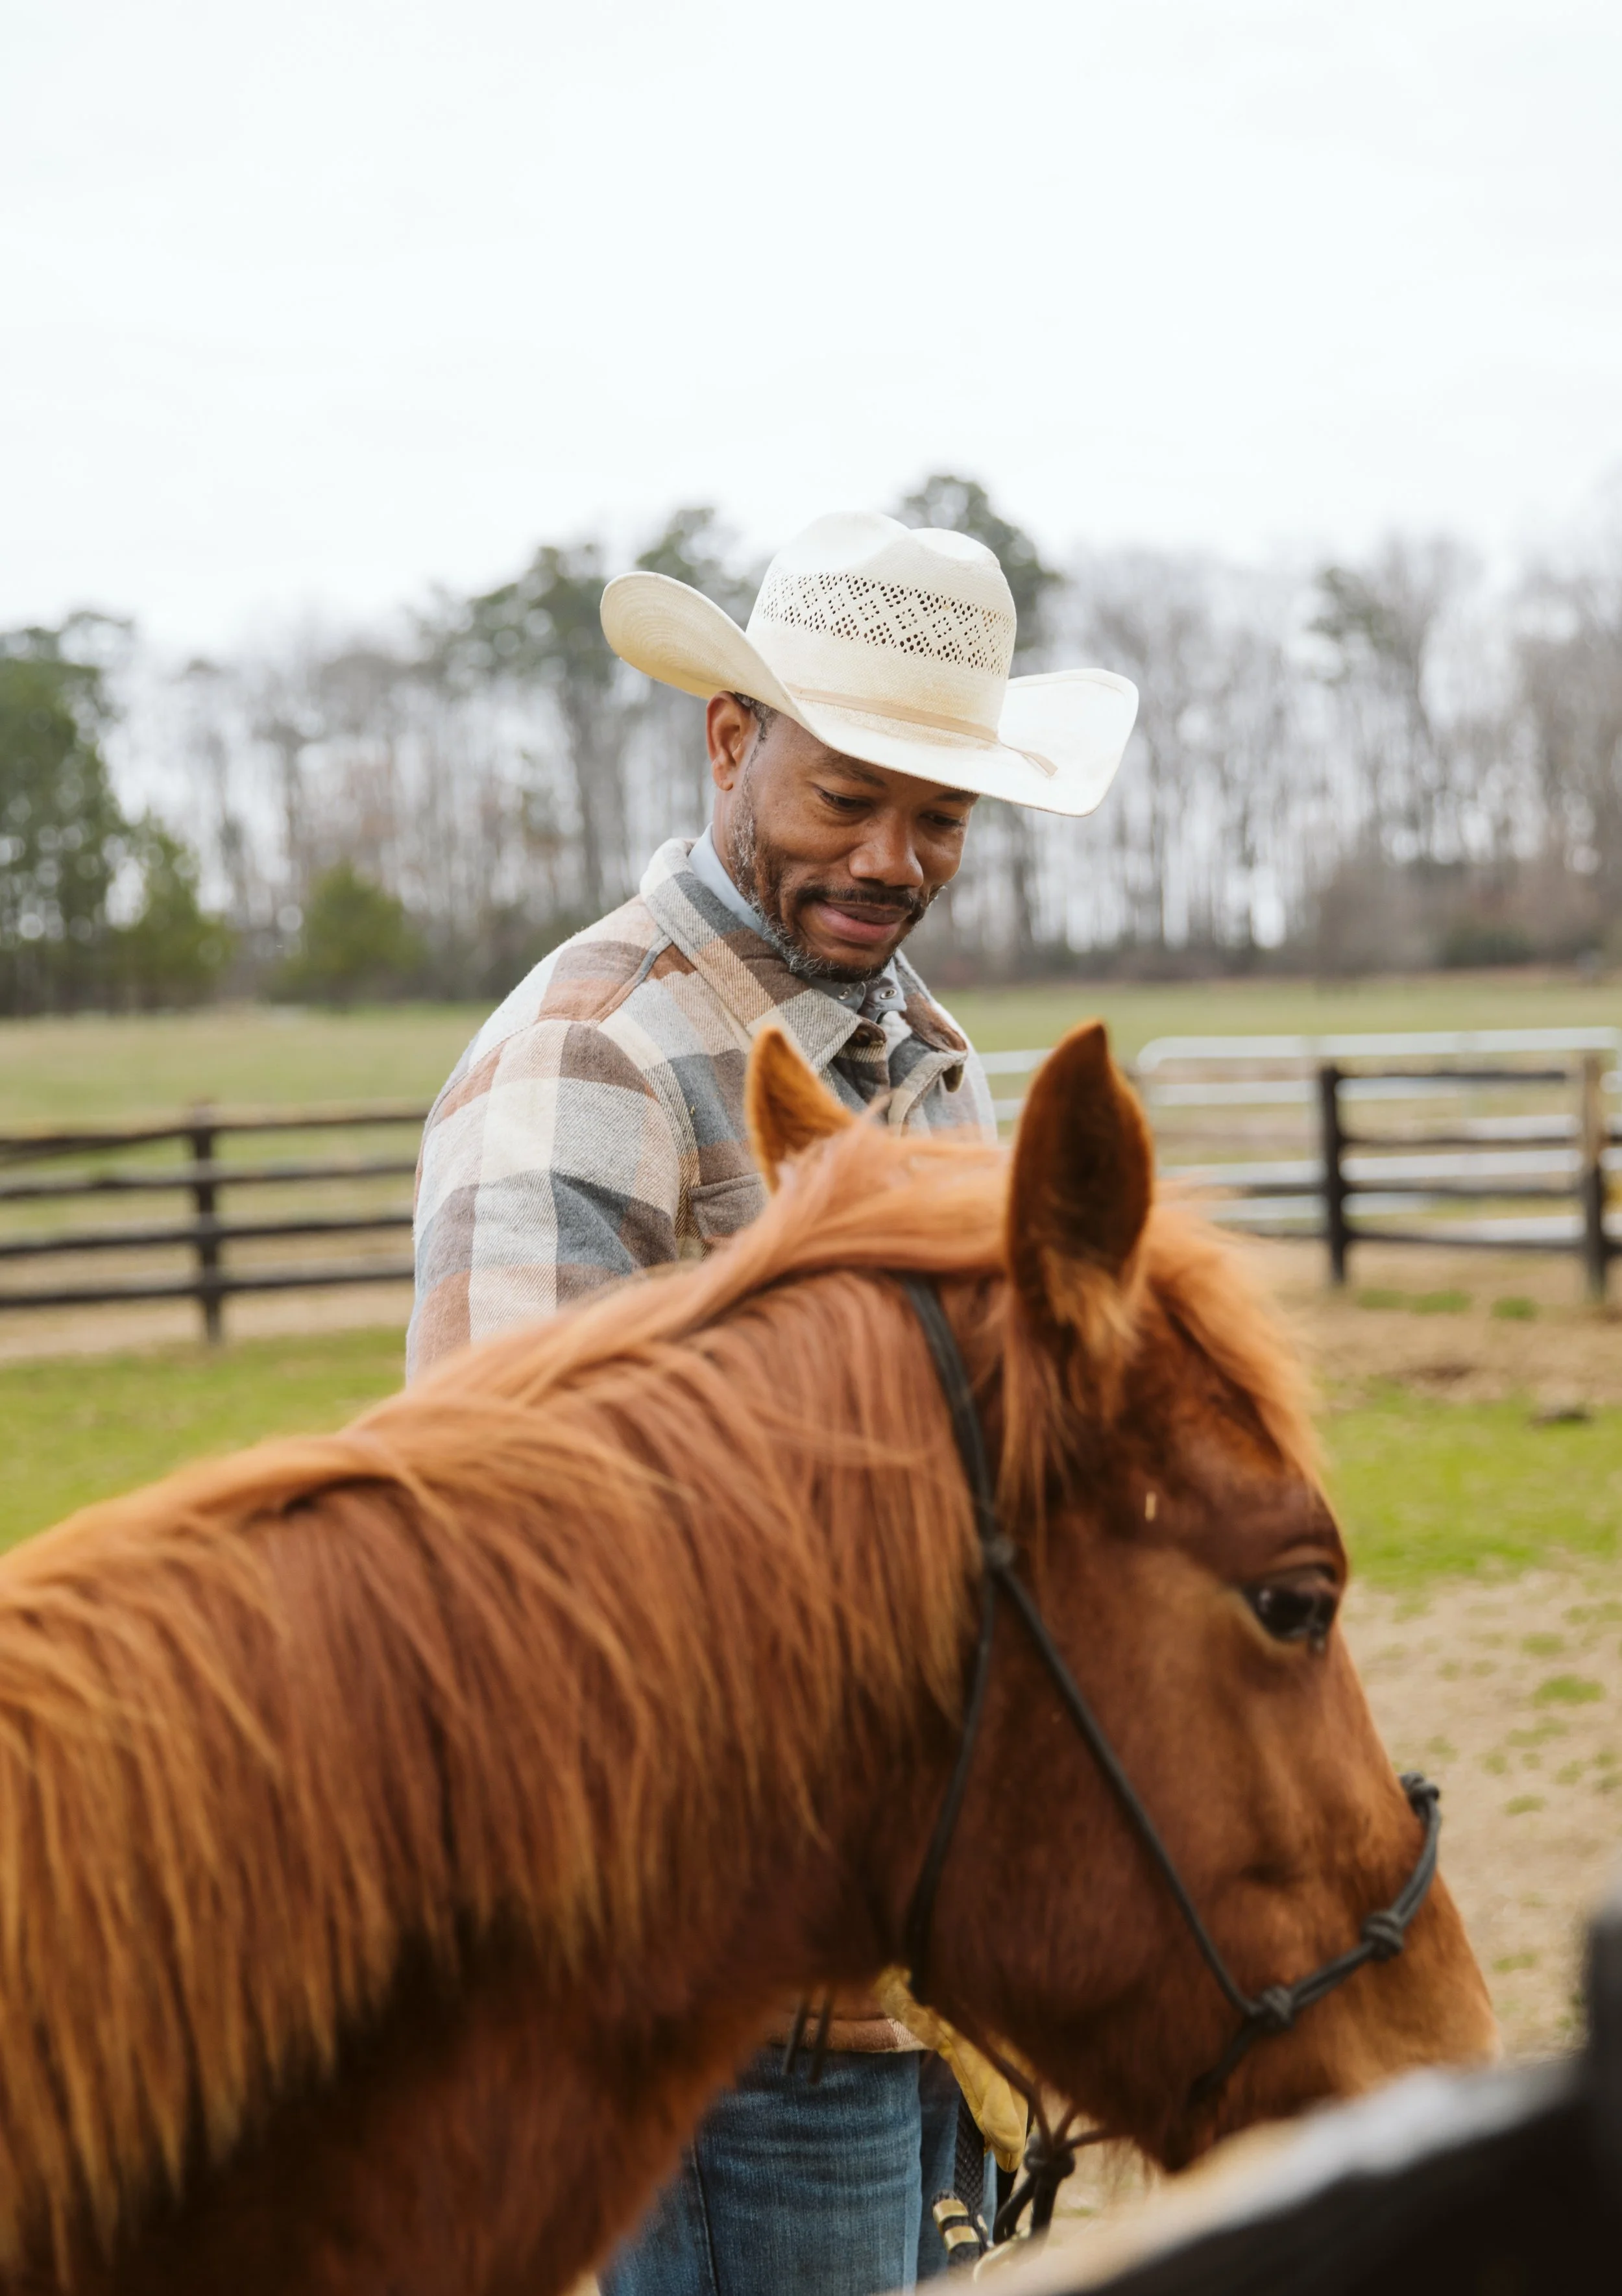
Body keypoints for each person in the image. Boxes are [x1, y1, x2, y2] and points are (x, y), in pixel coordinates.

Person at [407, 509, 1137, 2293]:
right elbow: (516, 1579)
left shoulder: (917, 1057)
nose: (893, 859)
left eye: (940, 818)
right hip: (726, 2011)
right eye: (845, 801)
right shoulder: (597, 1062)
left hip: (917, 1981)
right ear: (731, 744)